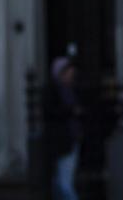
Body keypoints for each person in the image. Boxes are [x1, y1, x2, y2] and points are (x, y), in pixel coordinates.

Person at [45, 56, 83, 200]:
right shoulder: (54, 92)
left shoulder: (71, 91)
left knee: (62, 182)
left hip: (70, 139)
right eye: (67, 71)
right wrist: (71, 111)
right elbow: (50, 112)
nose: (71, 74)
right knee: (62, 183)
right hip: (61, 140)